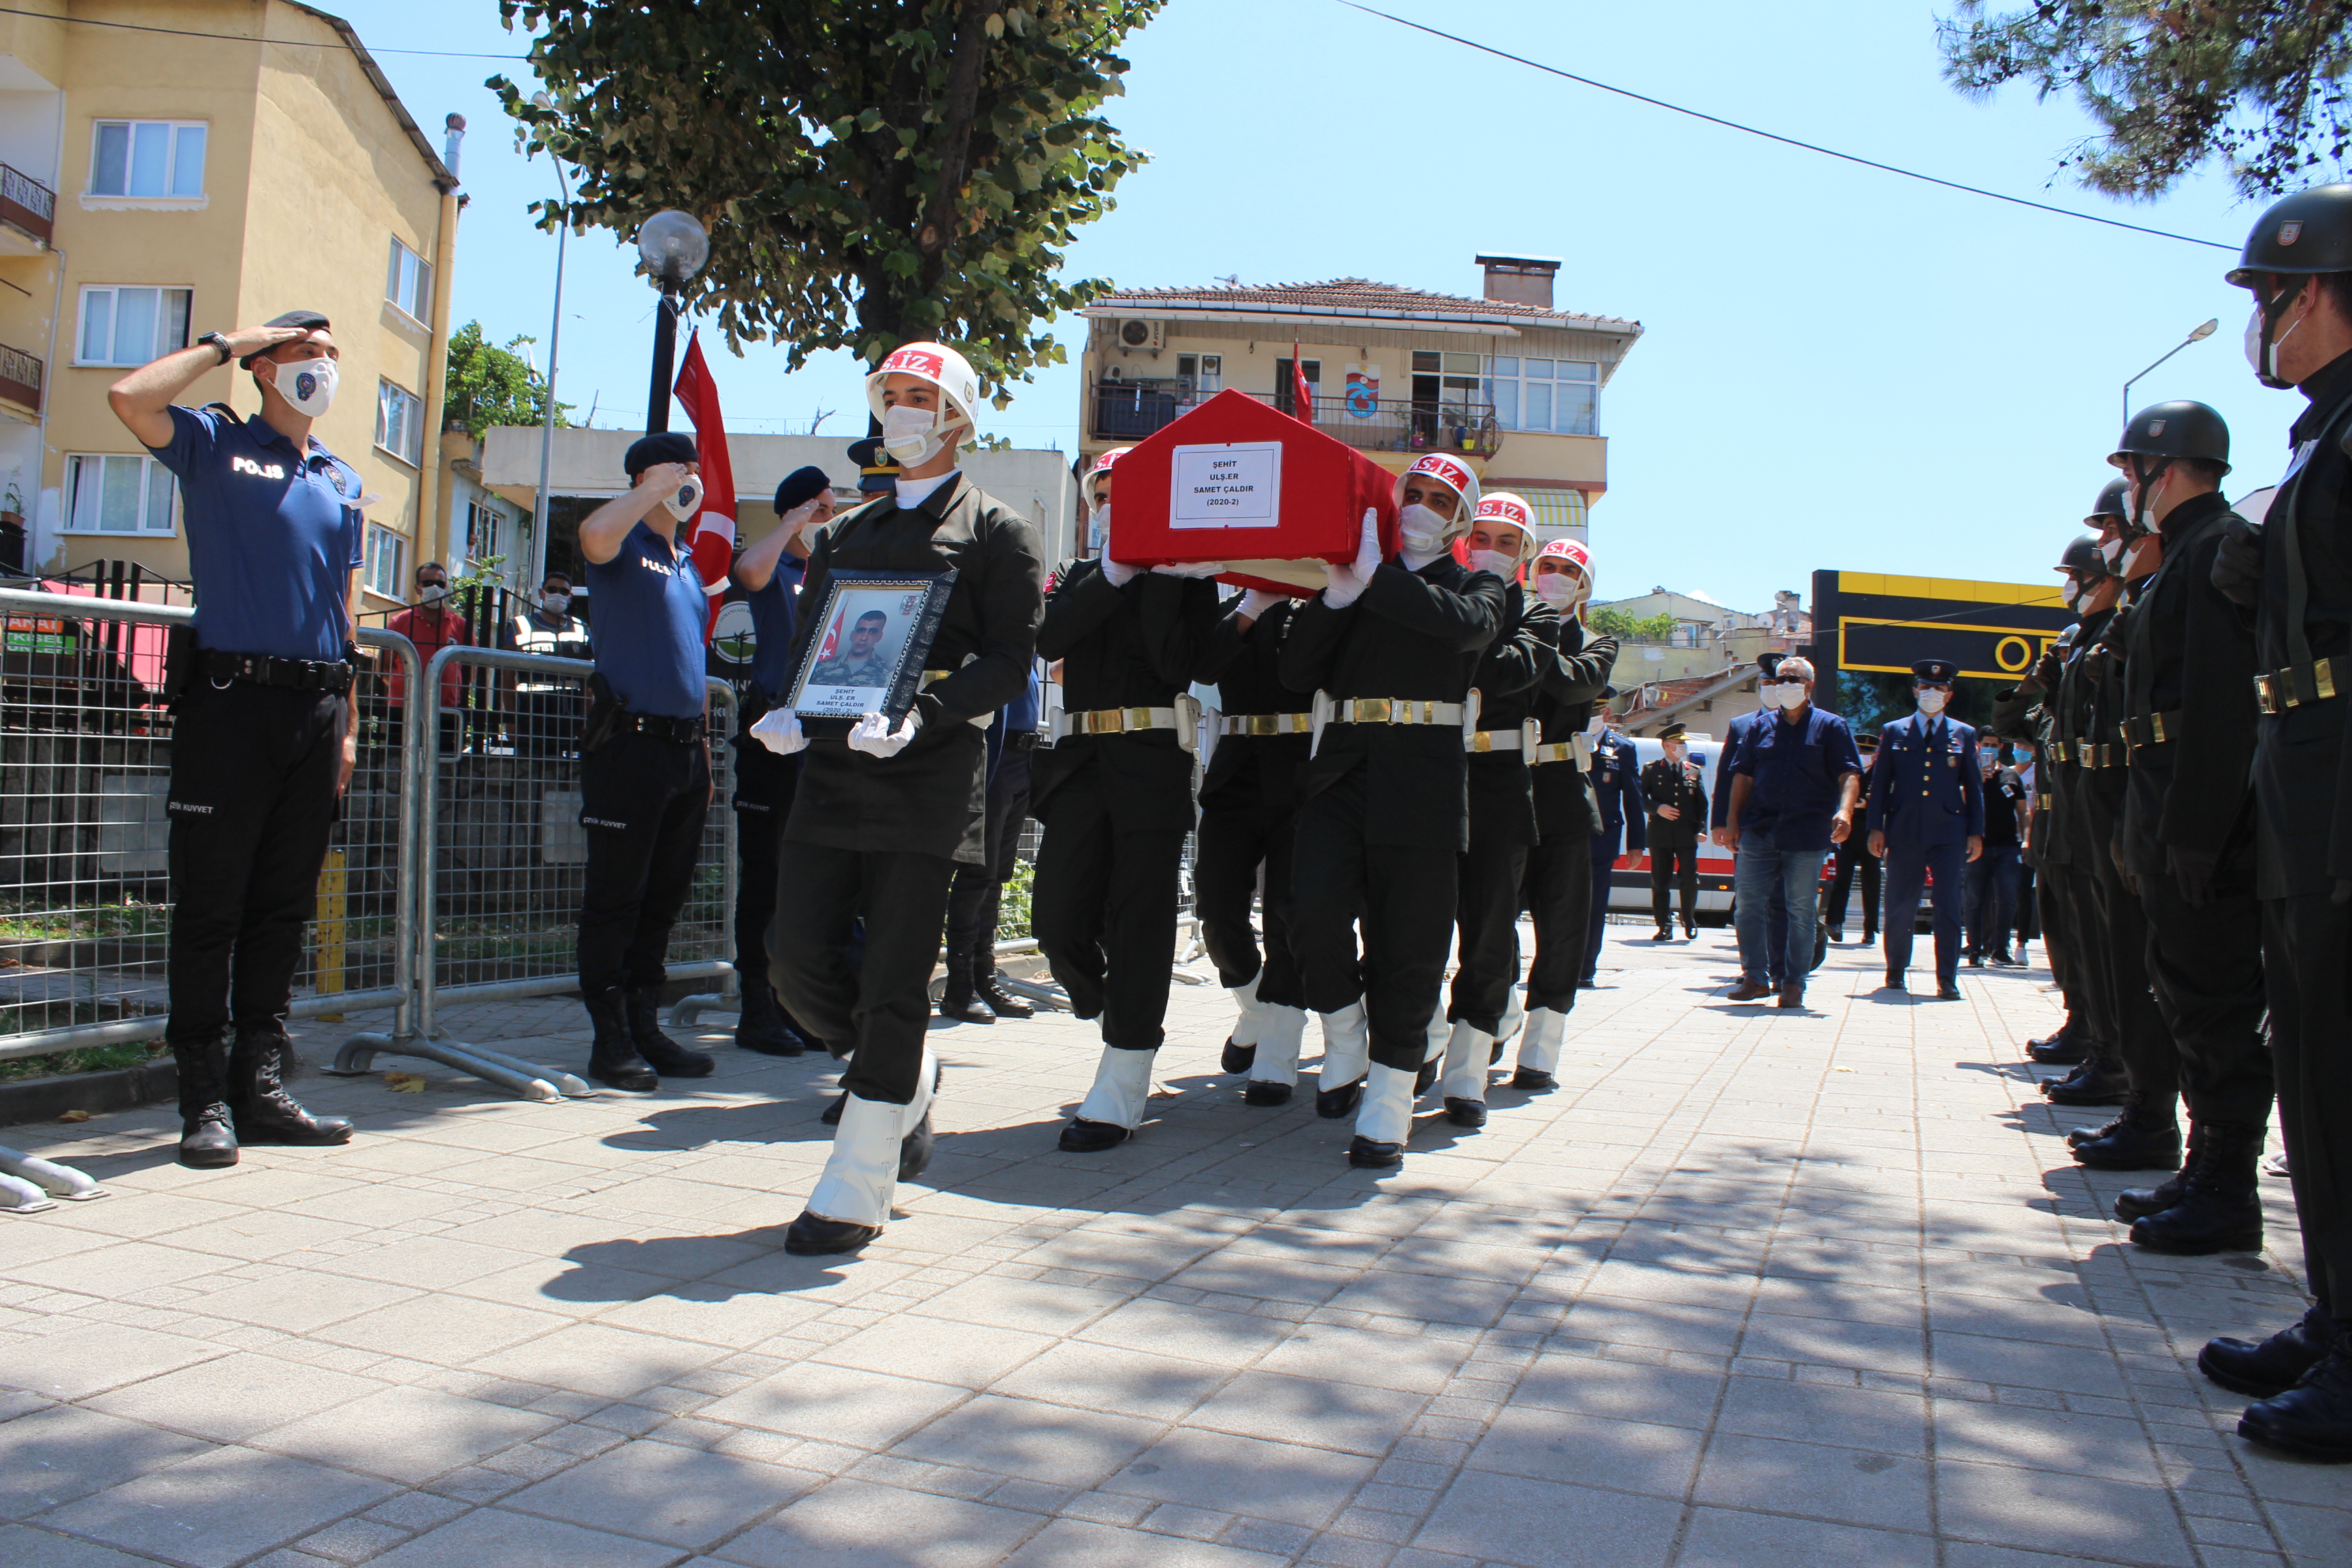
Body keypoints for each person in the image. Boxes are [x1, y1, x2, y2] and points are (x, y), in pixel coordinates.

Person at [753, 341, 1043, 1254]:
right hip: (835, 770)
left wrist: (929, 713)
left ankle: (858, 1179)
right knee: (793, 958)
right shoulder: (844, 534)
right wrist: (791, 713)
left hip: (928, 774)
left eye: (923, 396)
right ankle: (904, 1062)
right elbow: (815, 646)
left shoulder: (997, 530)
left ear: (957, 416)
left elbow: (1009, 657)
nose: (905, 411)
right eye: (893, 396)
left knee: (894, 979)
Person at [108, 309, 361, 1167]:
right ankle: (202, 1099)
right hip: (231, 704)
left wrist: (351, 729)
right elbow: (126, 397)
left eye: (331, 356)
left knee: (282, 910)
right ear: (264, 366)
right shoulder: (216, 441)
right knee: (212, 908)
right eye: (305, 353)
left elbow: (346, 608)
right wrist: (228, 342)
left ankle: (260, 1087)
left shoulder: (340, 476)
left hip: (318, 710)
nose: (321, 367)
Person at [2200, 185, 2352, 1455]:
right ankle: (2337, 1310)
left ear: (2319, 293)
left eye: (2270, 298)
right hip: (2308, 777)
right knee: (2313, 1057)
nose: (2264, 322)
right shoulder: (2323, 439)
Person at [1281, 452, 1503, 1169]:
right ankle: (1345, 1032)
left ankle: (1390, 1096)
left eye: (1441, 500)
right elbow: (1295, 671)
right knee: (1308, 909)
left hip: (1424, 777)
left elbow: (1466, 627)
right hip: (1343, 765)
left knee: (1411, 942)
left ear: (1460, 518)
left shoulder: (1478, 585)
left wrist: (1379, 581)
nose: (1422, 507)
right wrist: (1339, 597)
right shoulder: (1358, 575)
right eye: (1415, 492)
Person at [2099, 399, 2276, 1258]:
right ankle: (2204, 1169)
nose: (2127, 490)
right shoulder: (2178, 560)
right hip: (2165, 805)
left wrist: (2199, 830)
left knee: (2216, 1008)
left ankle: (2226, 1188)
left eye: (2132, 473)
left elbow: (2216, 701)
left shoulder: (2211, 550)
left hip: (2199, 816)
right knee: (2185, 995)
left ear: (2162, 472)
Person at [1031, 445, 1218, 1152]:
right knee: (1057, 919)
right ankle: (1118, 1011)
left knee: (1139, 916)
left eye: (1127, 494)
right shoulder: (1078, 576)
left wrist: (1164, 579)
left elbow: (1181, 664)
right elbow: (1048, 637)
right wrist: (1112, 575)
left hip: (1150, 760)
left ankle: (1125, 1071)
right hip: (1080, 760)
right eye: (1101, 494)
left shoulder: (1181, 576)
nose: (1111, 505)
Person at [569, 432, 721, 1093]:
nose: (691, 476)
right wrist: (650, 488)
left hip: (685, 751)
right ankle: (610, 1040)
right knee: (616, 900)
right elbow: (594, 536)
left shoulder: (684, 561)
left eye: (695, 468)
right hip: (627, 745)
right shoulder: (622, 540)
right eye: (679, 467)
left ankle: (645, 1024)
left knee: (663, 900)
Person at [1437, 493, 1556, 1128]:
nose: (1490, 547)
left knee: (1486, 933)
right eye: (1480, 535)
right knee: (1413, 924)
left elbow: (1512, 669)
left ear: (1525, 554)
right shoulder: (1442, 593)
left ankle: (1466, 1073)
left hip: (1500, 783)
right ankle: (1423, 1034)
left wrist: (1455, 621)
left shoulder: (1537, 615)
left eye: (1507, 541)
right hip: (1432, 774)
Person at [1193, 576, 1318, 1105]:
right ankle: (1257, 1007)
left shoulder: (1323, 608)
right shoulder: (1233, 608)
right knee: (1216, 907)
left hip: (1302, 764)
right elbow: (1203, 666)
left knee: (1288, 912)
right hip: (1237, 761)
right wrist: (1249, 607)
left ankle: (1279, 1052)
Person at [726, 465, 831, 1058]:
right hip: (773, 732)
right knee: (764, 878)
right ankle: (755, 1009)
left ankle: (796, 1005)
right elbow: (748, 571)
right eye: (819, 508)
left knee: (806, 884)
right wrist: (790, 519)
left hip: (822, 740)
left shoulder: (829, 574)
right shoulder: (780, 570)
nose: (827, 518)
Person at [1515, 540, 1618, 1087]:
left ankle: (1541, 1047)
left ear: (1585, 583)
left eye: (1569, 570)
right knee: (1485, 921)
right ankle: (1493, 1013)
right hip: (1503, 789)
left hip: (1562, 795)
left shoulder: (1598, 644)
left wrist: (1533, 639)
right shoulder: (1510, 625)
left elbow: (1575, 682)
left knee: (1562, 931)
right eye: (1547, 567)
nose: (1555, 577)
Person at [1725, 656, 1862, 1007]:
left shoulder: (1832, 727)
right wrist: (1732, 821)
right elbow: (1742, 776)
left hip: (1807, 833)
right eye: (1779, 679)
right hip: (1760, 829)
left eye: (1792, 679)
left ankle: (1793, 983)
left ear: (1809, 685)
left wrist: (1845, 810)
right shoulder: (1760, 727)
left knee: (1800, 909)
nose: (1784, 684)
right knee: (1748, 907)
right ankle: (1755, 977)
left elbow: (1849, 774)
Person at [1866, 659, 1985, 998]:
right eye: (1926, 687)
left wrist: (1976, 832)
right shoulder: (1894, 731)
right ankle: (1895, 971)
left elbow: (1973, 787)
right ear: (1915, 690)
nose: (1932, 693)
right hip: (1904, 830)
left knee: (1949, 906)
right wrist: (1876, 828)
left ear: (1949, 696)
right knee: (1901, 903)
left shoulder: (1964, 734)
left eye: (1940, 689)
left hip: (1949, 832)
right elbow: (1880, 783)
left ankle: (1946, 978)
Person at [941, 660, 1043, 1024]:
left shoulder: (1028, 647)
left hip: (1022, 759)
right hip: (994, 755)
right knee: (977, 874)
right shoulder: (1000, 635)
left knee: (997, 875)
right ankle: (961, 985)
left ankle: (984, 978)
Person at [1713, 653, 1791, 985]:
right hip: (1750, 827)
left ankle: (1780, 966)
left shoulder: (1804, 723)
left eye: (1778, 683)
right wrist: (1720, 822)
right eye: (1767, 683)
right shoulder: (1742, 725)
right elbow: (1727, 776)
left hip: (1790, 828)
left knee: (1783, 901)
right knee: (1750, 901)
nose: (1772, 689)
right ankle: (1753, 969)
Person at [1582, 713, 1645, 986]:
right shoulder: (1565, 737)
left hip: (1602, 838)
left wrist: (1636, 844)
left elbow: (1633, 797)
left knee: (1594, 907)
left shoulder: (1622, 747)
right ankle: (1557, 963)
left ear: (1606, 712)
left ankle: (1585, 969)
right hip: (1565, 833)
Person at [385, 560, 473, 753]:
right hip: (403, 709)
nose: (435, 588)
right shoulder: (399, 622)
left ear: (446, 587)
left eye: (440, 584)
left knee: (444, 769)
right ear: (418, 588)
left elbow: (471, 670)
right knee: (398, 766)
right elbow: (384, 667)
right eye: (428, 584)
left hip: (446, 711)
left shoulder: (460, 625)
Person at [503, 570, 591, 757]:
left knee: (565, 778)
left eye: (564, 591)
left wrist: (586, 718)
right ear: (542, 594)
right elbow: (507, 676)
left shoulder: (581, 629)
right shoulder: (519, 626)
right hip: (530, 718)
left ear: (570, 597)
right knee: (527, 776)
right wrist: (510, 719)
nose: (557, 595)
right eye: (552, 589)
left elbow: (588, 680)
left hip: (569, 719)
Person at [1962, 738, 2027, 967]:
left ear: (2000, 747)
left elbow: (2022, 811)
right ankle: (1975, 948)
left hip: (2007, 847)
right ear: (1978, 745)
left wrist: (2026, 839)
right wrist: (1977, 780)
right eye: (1985, 743)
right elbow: (1961, 804)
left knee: (2008, 895)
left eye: (1994, 744)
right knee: (1974, 899)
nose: (1989, 747)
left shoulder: (2011, 776)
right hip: (1978, 846)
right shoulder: (1969, 774)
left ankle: (2000, 948)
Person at [1639, 721, 1706, 940]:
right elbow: (1639, 799)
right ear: (1667, 745)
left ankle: (1689, 921)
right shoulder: (1652, 769)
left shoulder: (1693, 771)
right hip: (1660, 834)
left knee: (1689, 879)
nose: (1683, 747)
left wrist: (1701, 829)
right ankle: (1664, 926)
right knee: (1661, 881)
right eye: (1679, 743)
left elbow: (1702, 805)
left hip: (1686, 835)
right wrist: (1658, 808)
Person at [1825, 732, 1881, 943]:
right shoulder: (1848, 772)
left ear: (1875, 754)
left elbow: (1887, 801)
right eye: (1860, 750)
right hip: (1847, 834)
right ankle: (1835, 923)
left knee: (1872, 882)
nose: (1864, 754)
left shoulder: (1880, 774)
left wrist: (1868, 805)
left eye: (1869, 751)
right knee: (1842, 879)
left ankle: (1870, 929)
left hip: (1870, 834)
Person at [808, 610, 895, 687]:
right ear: (852, 635)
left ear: (879, 637)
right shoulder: (820, 668)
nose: (864, 638)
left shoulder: (887, 672)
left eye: (872, 632)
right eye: (860, 631)